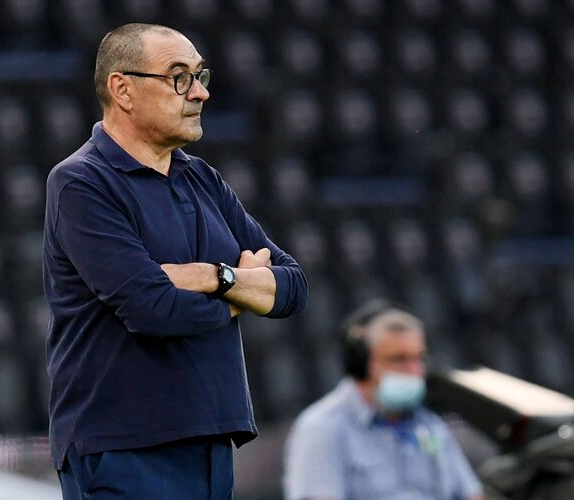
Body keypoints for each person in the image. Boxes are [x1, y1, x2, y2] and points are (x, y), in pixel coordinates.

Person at [42, 23, 308, 499]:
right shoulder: (81, 182)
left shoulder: (202, 178)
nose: (200, 92)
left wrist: (213, 277)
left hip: (211, 441)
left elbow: (293, 287)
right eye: (179, 77)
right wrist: (244, 289)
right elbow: (153, 309)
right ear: (123, 89)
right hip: (124, 447)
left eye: (200, 75)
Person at [283, 300, 483, 500]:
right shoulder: (321, 429)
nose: (414, 371)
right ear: (360, 363)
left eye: (419, 358)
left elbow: (472, 494)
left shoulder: (429, 424)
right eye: (398, 359)